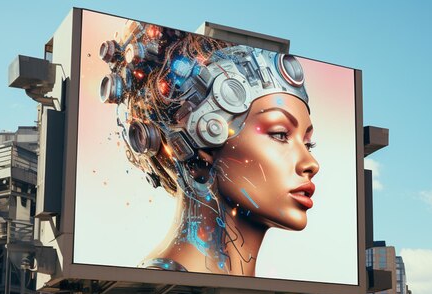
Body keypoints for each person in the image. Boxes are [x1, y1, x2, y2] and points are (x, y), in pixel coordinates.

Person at [99, 21, 319, 276]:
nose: (311, 163)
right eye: (280, 134)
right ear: (201, 146)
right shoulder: (159, 292)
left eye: (308, 143)